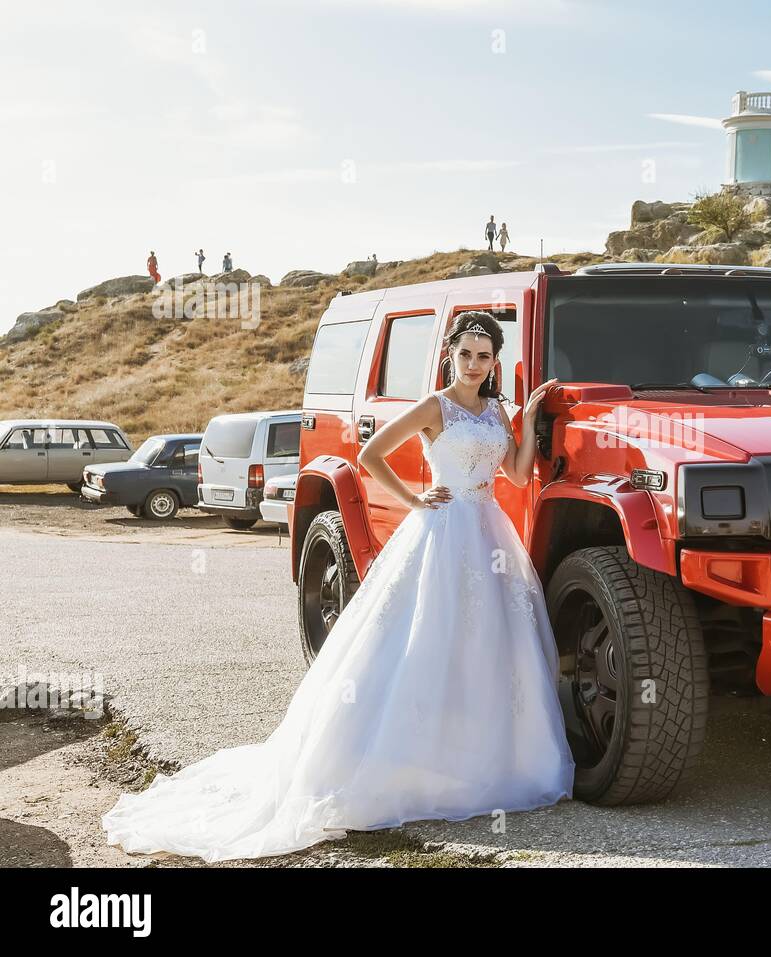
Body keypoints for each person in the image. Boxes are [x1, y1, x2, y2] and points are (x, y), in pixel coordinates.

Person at [101, 311, 572, 863]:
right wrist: (417, 498)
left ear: (495, 362)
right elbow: (370, 455)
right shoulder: (433, 406)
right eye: (465, 354)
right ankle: (411, 768)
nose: (473, 365)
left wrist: (531, 415)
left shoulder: (497, 410)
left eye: (484, 356)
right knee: (425, 638)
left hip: (489, 529)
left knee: (489, 645)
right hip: (443, 531)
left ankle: (491, 760)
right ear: (450, 355)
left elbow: (516, 475)